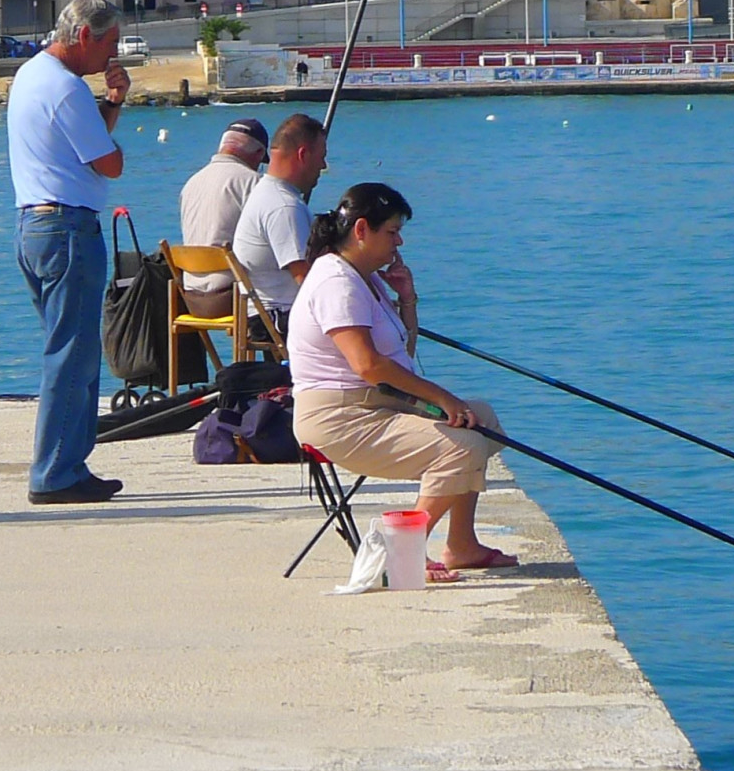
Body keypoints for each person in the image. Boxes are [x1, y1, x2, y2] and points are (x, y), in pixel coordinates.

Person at [289, 183, 516, 577]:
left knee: (483, 420)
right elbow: (368, 365)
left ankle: (461, 544)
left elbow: (401, 357)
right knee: (461, 444)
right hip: (338, 418)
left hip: (375, 403)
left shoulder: (366, 278)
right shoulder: (336, 282)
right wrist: (443, 399)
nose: (400, 242)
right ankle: (402, 553)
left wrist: (407, 298)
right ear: (362, 230)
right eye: (392, 232)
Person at [7, 0, 129, 504]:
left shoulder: (31, 75)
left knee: (69, 349)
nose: (113, 53)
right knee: (72, 354)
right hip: (67, 228)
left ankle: (69, 464)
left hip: (34, 225)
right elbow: (108, 163)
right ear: (84, 36)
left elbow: (80, 144)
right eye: (110, 42)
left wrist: (113, 103)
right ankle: (55, 471)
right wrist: (112, 126)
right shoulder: (67, 88)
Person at [230, 113, 327, 328]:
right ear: (303, 155)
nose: (323, 165)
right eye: (322, 157)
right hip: (278, 317)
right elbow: (306, 279)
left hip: (262, 313)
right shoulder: (284, 206)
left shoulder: (266, 193)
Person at [177, 117, 269, 316]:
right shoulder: (253, 182)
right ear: (259, 153)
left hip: (190, 299)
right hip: (231, 297)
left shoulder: (191, 183)